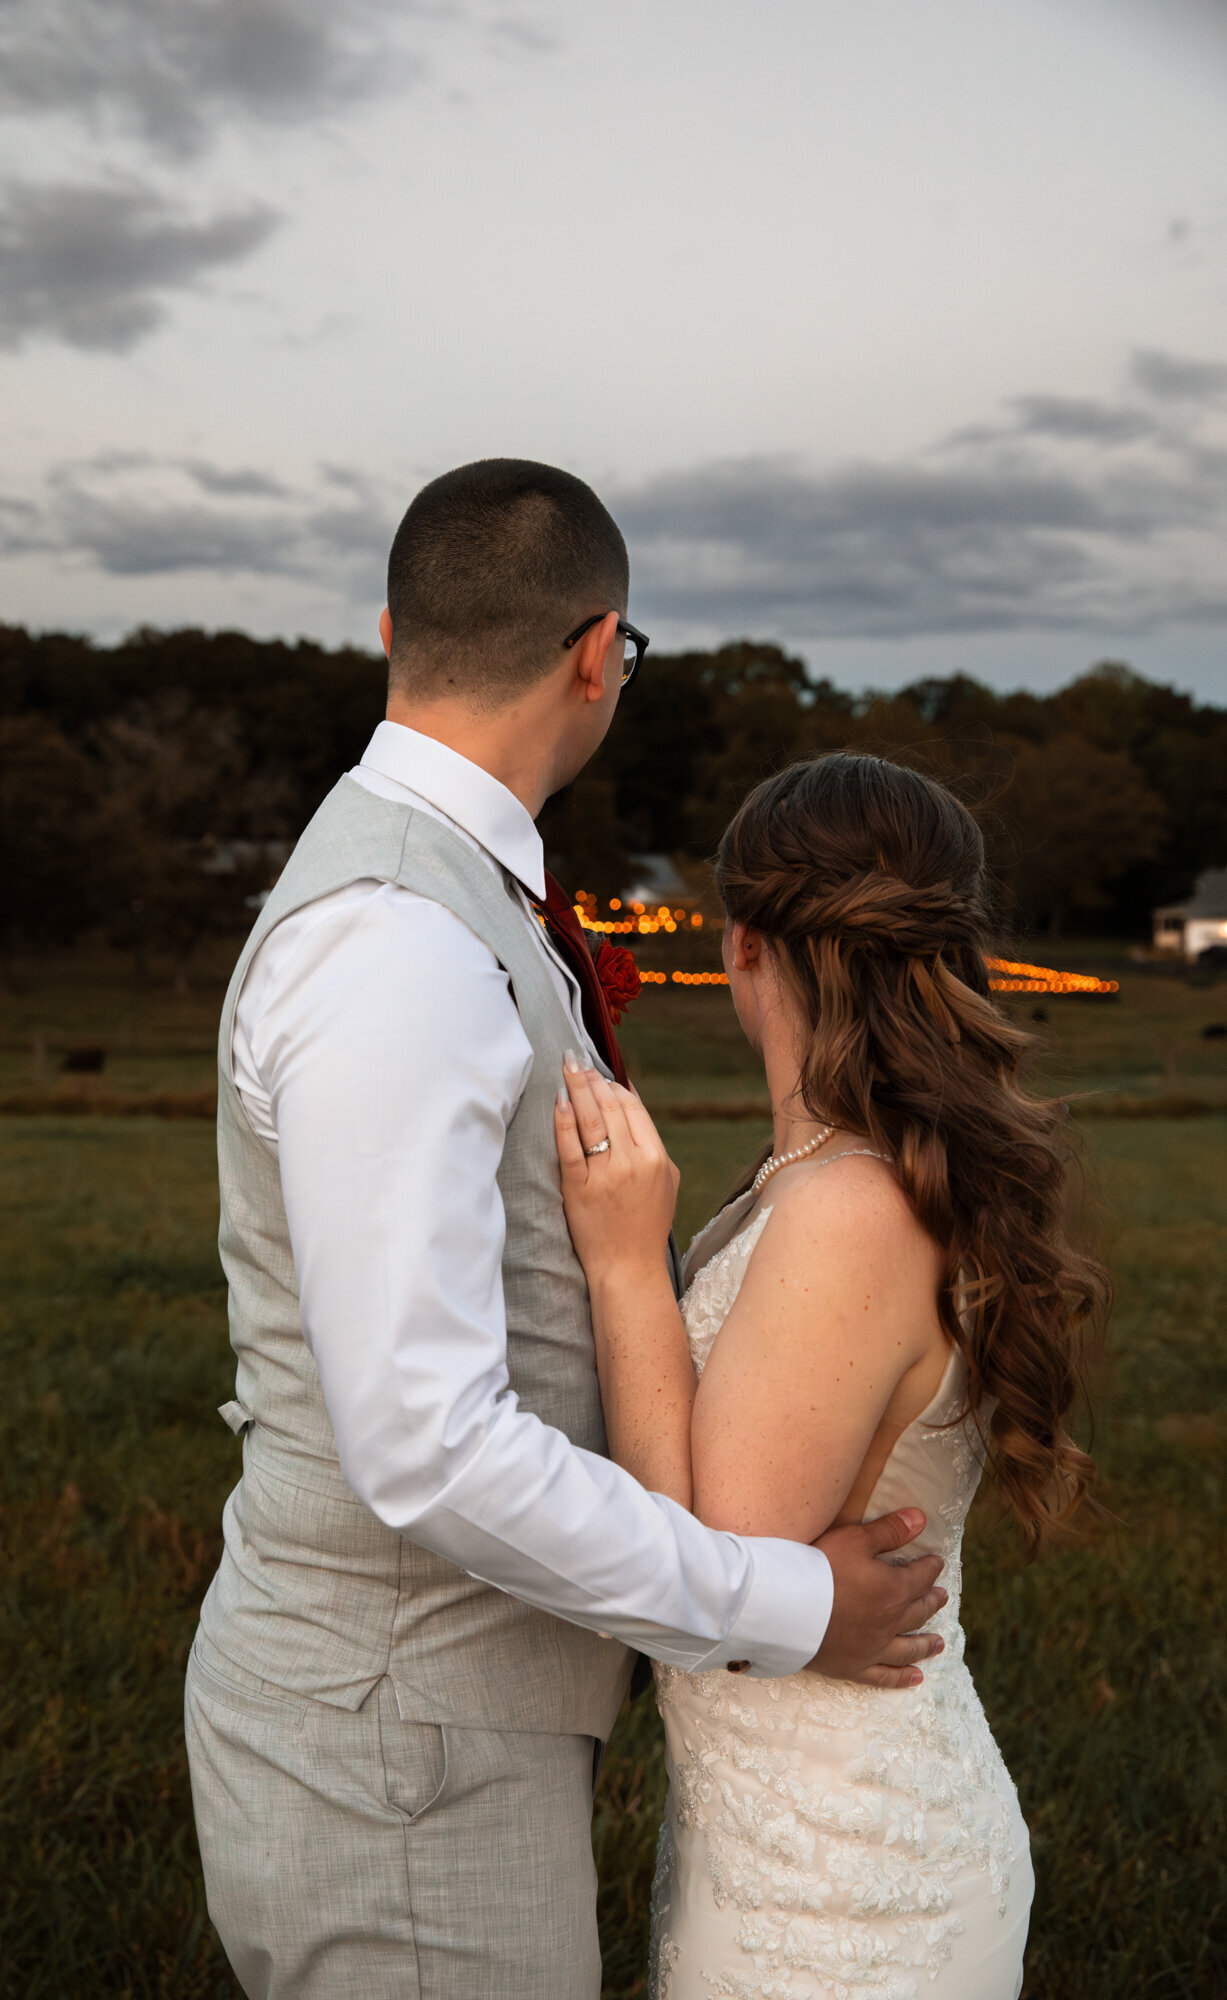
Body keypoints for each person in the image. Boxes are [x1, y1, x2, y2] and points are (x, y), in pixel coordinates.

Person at [184, 461, 947, 2000]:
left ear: (394, 628)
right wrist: (788, 1604)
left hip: (442, 1726)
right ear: (599, 654)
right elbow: (423, 1444)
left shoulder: (446, 897)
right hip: (395, 1745)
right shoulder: (394, 942)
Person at [554, 753, 1108, 2000]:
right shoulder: (837, 1178)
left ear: (745, 943)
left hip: (844, 1880)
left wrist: (628, 1266)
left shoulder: (852, 1207)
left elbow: (713, 1567)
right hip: (788, 1833)